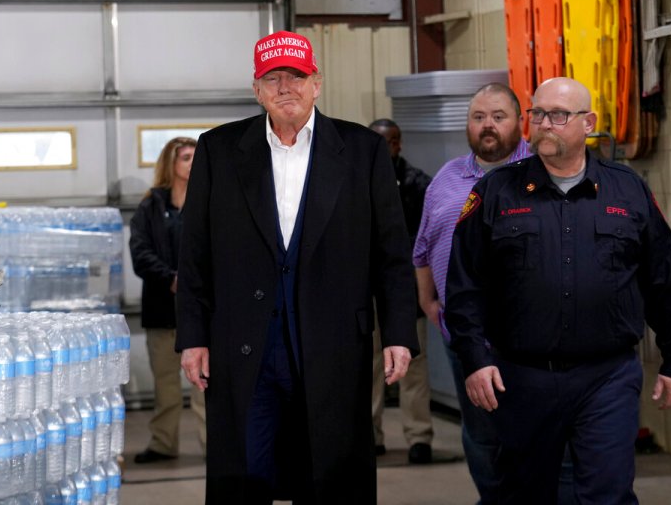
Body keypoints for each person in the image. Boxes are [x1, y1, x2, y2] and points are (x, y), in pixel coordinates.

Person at [175, 30, 418, 504]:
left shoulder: (362, 150)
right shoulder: (219, 150)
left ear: (317, 83)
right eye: (274, 77)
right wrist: (193, 337)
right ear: (257, 90)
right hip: (244, 347)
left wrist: (400, 333)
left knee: (330, 473)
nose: (287, 86)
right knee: (245, 472)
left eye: (297, 76)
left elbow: (390, 253)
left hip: (334, 347)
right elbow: (195, 253)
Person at [445, 77, 671, 503]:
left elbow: (663, 281)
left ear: (589, 122)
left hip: (607, 377)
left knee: (609, 492)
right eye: (537, 114)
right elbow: (464, 286)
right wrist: (474, 358)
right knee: (524, 494)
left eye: (558, 115)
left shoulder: (627, 190)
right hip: (521, 378)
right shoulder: (495, 192)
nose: (545, 124)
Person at [412, 82, 529, 502]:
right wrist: (429, 302)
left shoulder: (539, 172)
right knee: (481, 434)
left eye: (499, 116)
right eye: (479, 117)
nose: (488, 126)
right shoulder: (447, 178)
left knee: (535, 430)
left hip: (529, 337)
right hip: (465, 336)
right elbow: (423, 247)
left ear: (520, 122)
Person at [129, 136, 206, 463]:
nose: (192, 163)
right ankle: (163, 443)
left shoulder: (211, 199)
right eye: (186, 158)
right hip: (163, 307)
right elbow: (140, 252)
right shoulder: (151, 205)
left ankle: (215, 448)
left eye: (196, 157)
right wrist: (170, 277)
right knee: (166, 385)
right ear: (171, 164)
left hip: (203, 310)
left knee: (206, 386)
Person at [368, 118, 434, 464]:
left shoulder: (417, 183)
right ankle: (371, 435)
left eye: (391, 142)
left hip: (406, 291)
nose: (386, 148)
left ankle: (418, 436)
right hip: (363, 293)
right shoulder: (351, 177)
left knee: (413, 365)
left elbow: (426, 239)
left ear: (399, 144)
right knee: (369, 365)